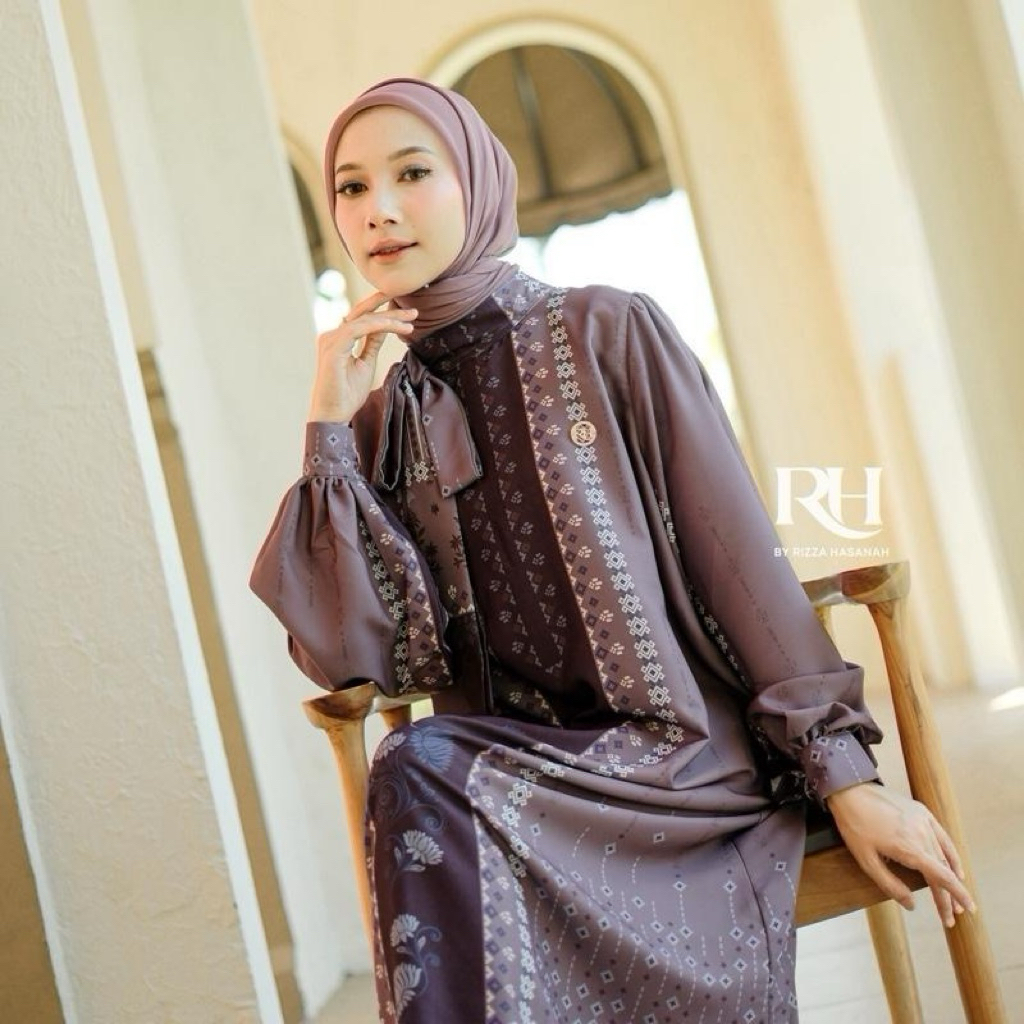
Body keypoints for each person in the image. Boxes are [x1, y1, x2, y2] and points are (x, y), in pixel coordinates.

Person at [250, 78, 973, 1023]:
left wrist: (846, 776)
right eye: (351, 187)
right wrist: (328, 433)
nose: (378, 209)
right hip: (508, 794)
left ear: (478, 184)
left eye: (413, 173)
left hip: (678, 769)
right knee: (418, 765)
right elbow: (350, 658)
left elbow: (735, 559)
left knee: (419, 766)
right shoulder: (381, 419)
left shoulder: (606, 329)